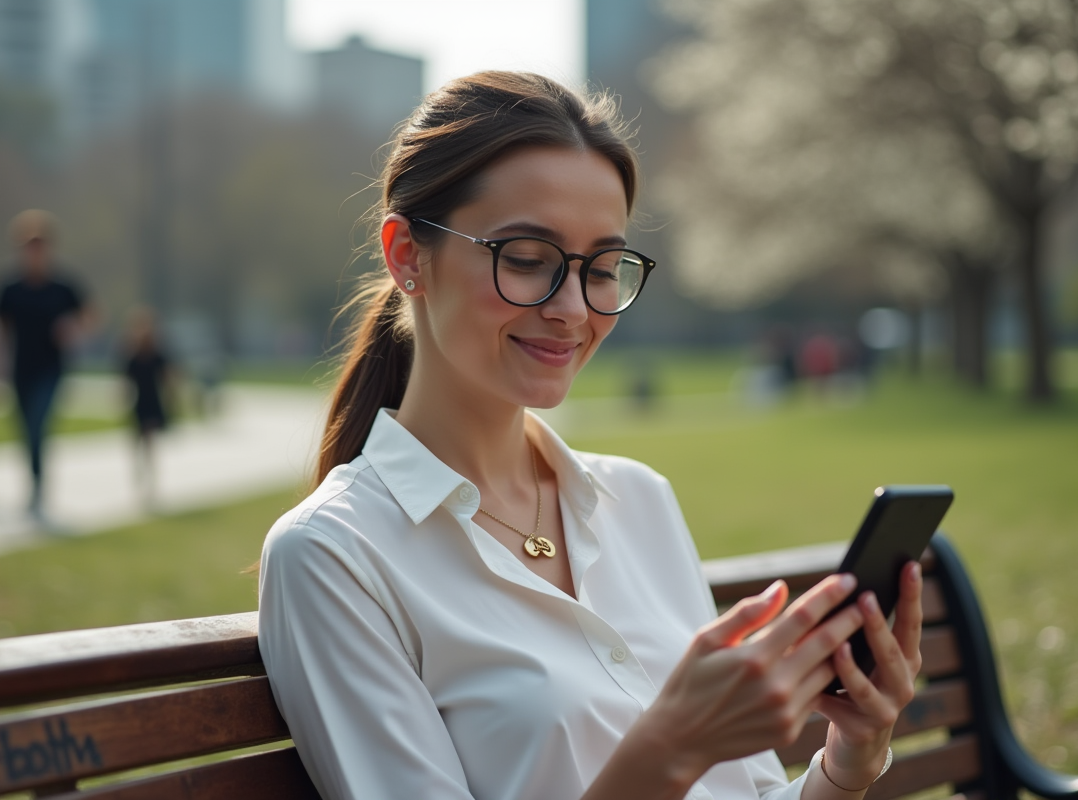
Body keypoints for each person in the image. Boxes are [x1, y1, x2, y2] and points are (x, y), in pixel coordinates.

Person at [257, 72, 923, 800]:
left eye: (603, 268)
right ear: (408, 255)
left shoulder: (636, 497)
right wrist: (672, 748)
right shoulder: (333, 556)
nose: (574, 309)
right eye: (527, 259)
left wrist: (848, 759)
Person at [0, 210, 90, 517]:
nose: (35, 251)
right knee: (25, 429)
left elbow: (91, 315)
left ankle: (38, 485)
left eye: (40, 245)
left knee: (39, 423)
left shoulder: (62, 288)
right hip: (20, 368)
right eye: (29, 245)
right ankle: (34, 479)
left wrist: (72, 329)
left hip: (51, 369)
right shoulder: (10, 289)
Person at [121, 306, 173, 508]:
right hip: (138, 403)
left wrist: (171, 398)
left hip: (153, 402)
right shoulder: (132, 354)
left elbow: (168, 376)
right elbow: (125, 379)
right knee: (136, 443)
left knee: (150, 444)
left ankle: (150, 484)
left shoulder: (157, 354)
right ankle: (139, 478)